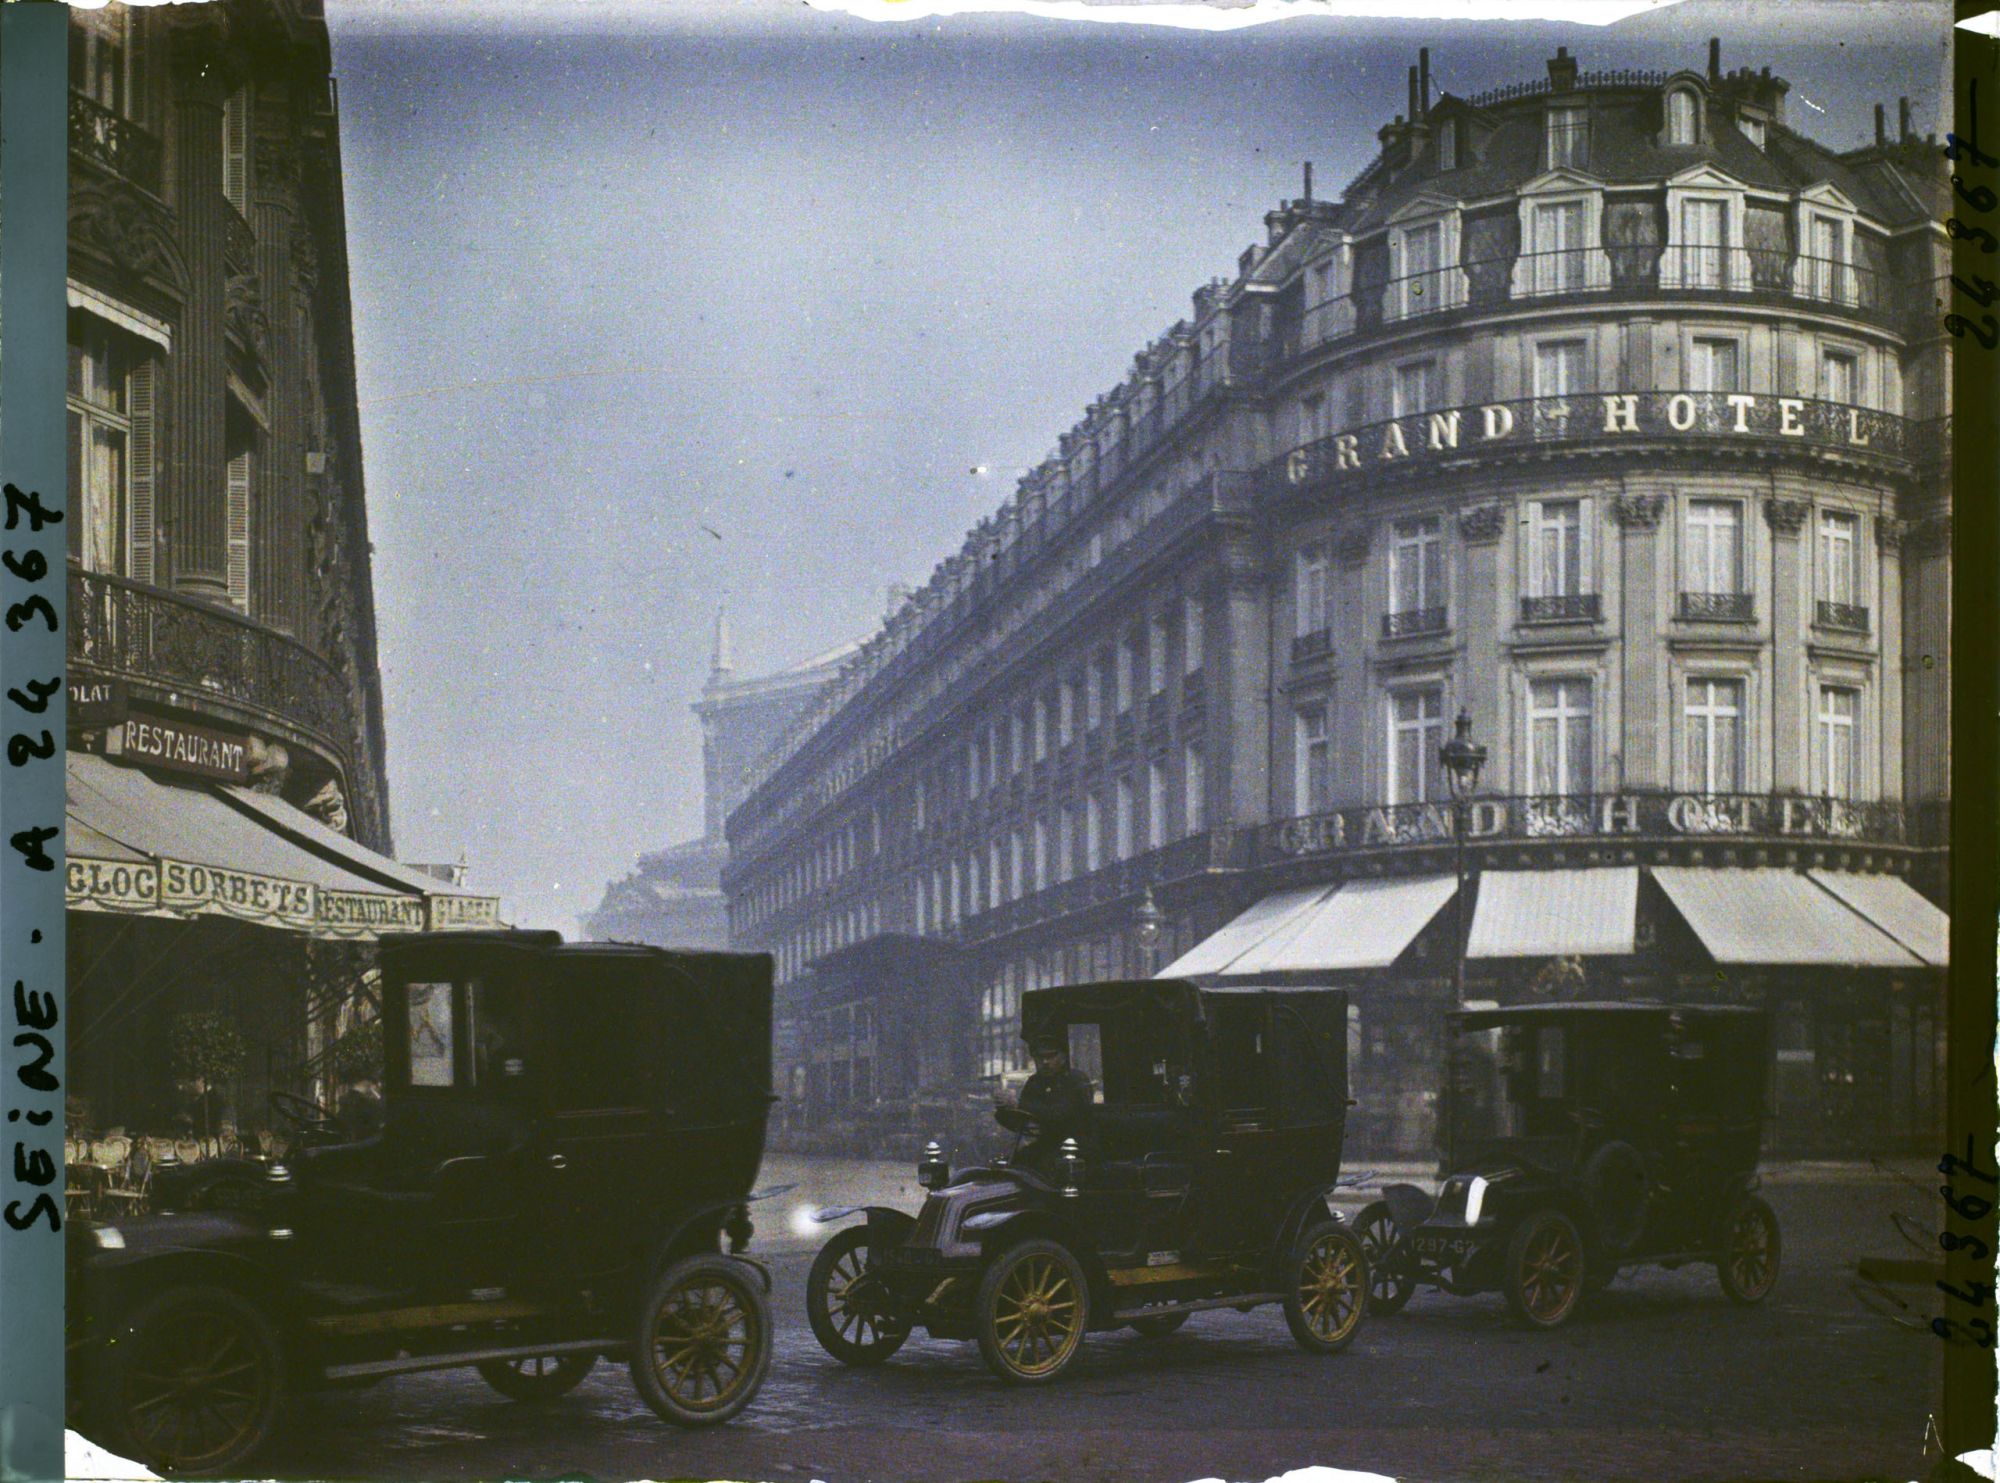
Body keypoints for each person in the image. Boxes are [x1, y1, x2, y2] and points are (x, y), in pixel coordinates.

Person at [1015, 1033, 1094, 1174]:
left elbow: (1061, 1115)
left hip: (1075, 1146)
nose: (1045, 1062)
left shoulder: (1076, 1080)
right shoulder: (1034, 1082)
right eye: (1040, 1058)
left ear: (1063, 1058)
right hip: (1044, 1144)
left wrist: (1018, 1105)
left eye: (1051, 1056)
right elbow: (1023, 1115)